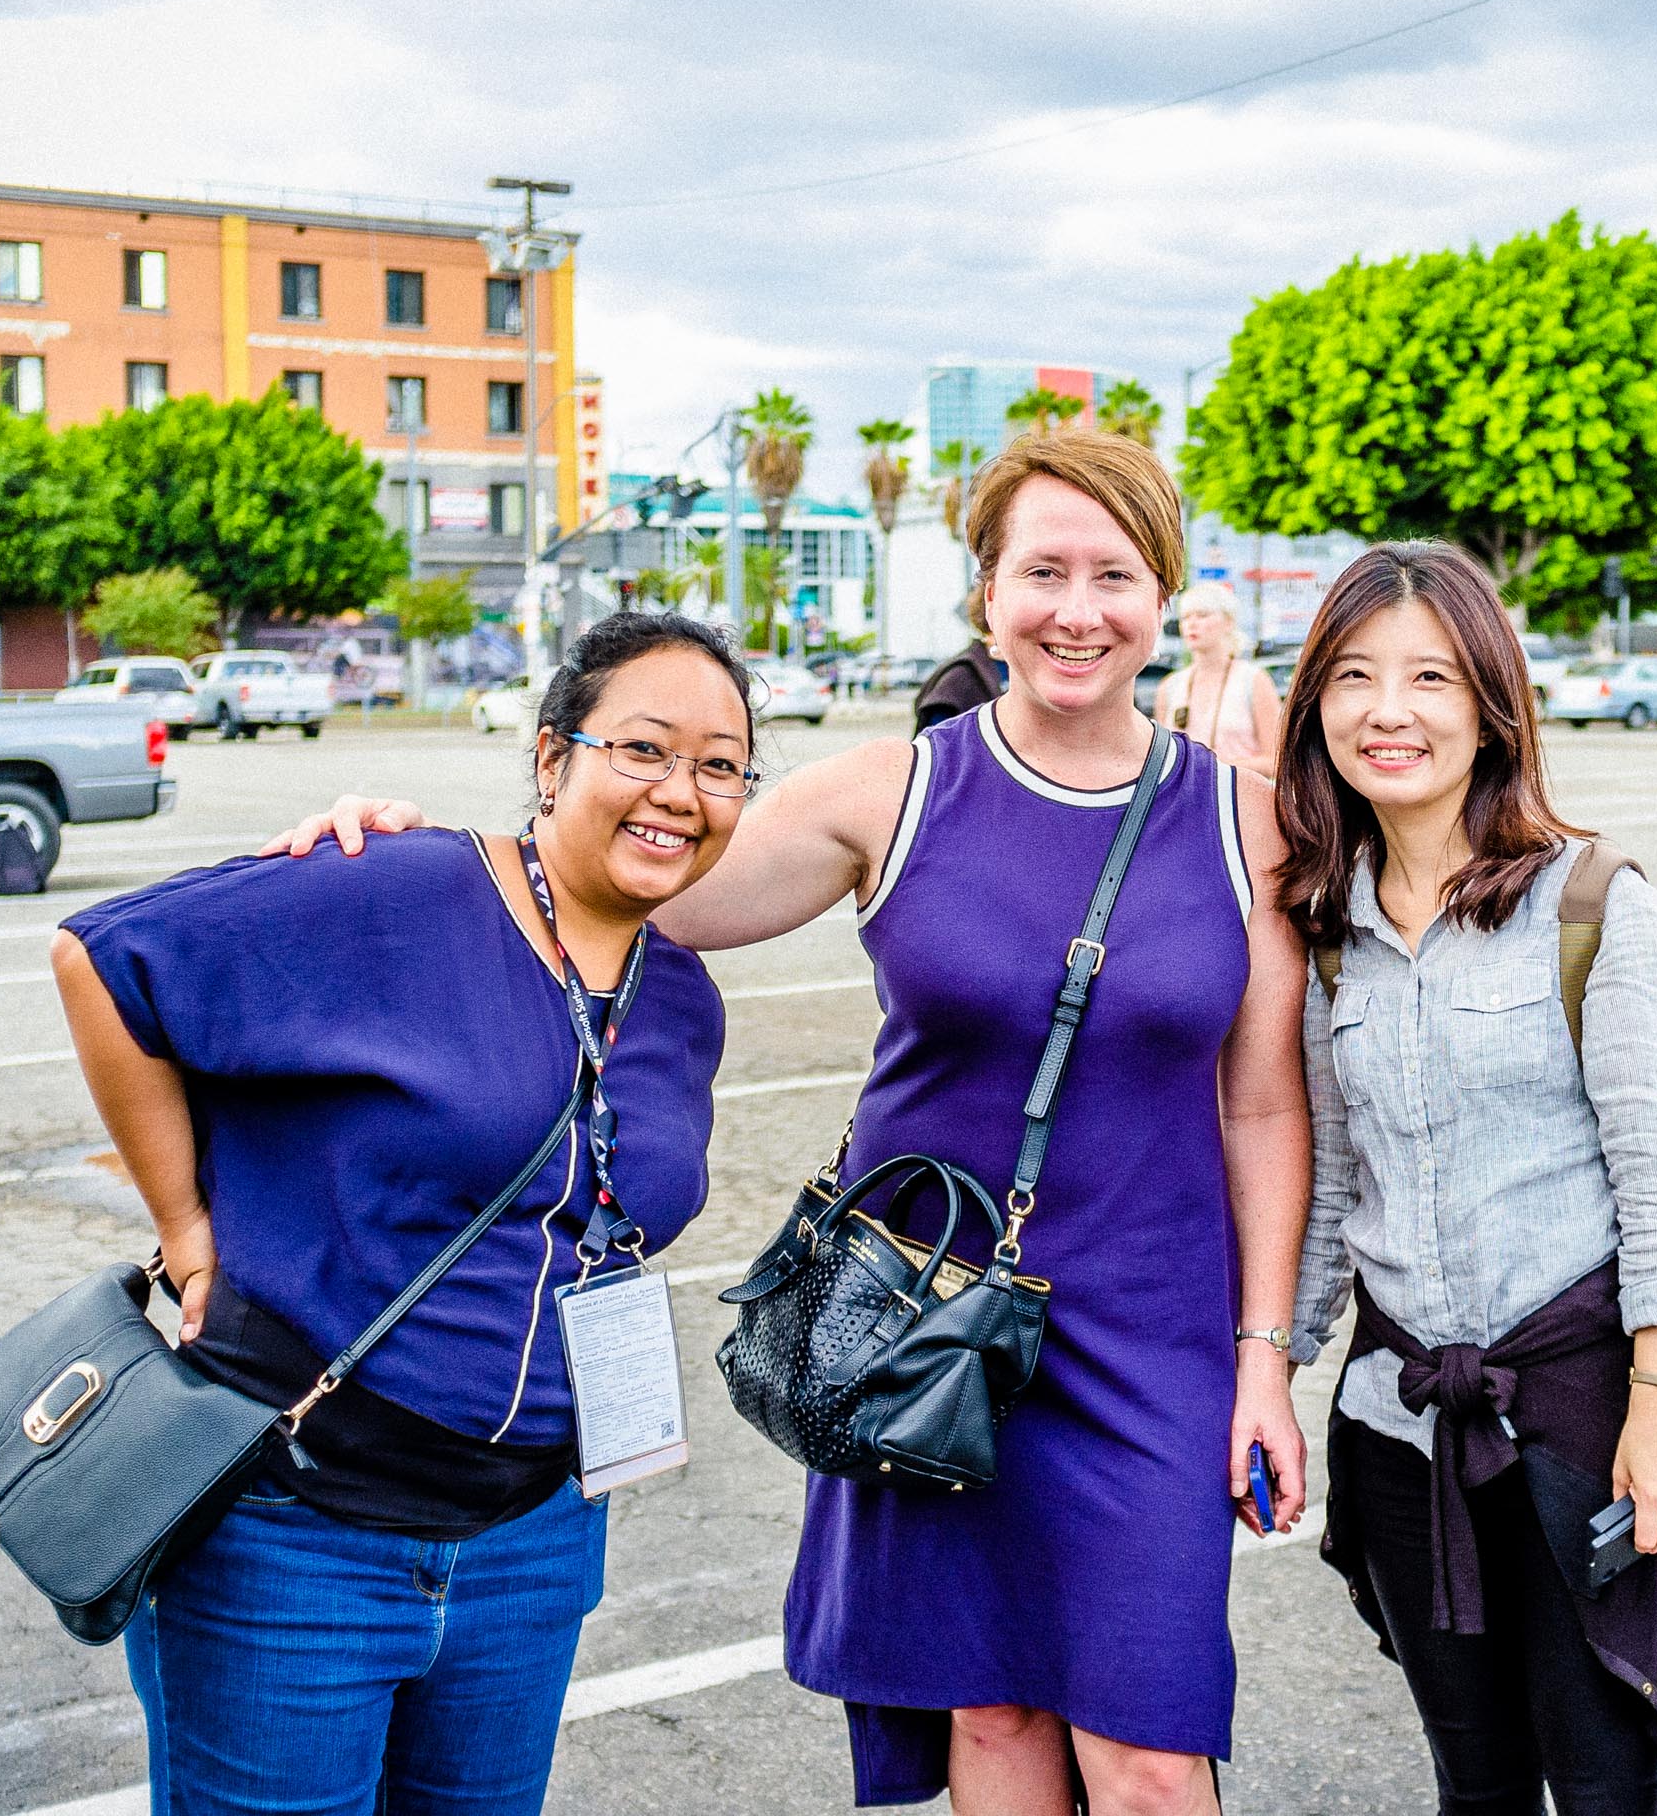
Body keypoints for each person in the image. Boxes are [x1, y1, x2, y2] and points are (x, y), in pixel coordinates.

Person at [275, 429, 1313, 1815]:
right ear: (984, 590)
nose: (1077, 608)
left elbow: (1258, 1106)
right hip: (919, 1321)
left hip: (1151, 1341)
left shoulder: (1247, 823)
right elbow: (612, 891)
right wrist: (414, 846)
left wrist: (1262, 1361)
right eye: (1041, 570)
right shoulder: (891, 791)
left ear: (1162, 593)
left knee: (1144, 1757)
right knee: (990, 1714)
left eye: (1113, 575)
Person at [55, 613, 752, 1814]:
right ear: (550, 760)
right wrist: (186, 1229)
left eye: (721, 765)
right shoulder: (400, 885)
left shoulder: (681, 998)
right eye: (642, 749)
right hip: (293, 1529)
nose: (679, 791)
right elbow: (103, 963)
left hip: (529, 1543)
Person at [1286, 543, 1657, 1815]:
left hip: (1582, 1425)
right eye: (1355, 676)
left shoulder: (1595, 909)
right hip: (1399, 1423)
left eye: (1430, 677)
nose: (1390, 710)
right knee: (1470, 1781)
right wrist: (1265, 1372)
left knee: (1602, 1781)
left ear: (1490, 709)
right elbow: (1326, 1186)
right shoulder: (1327, 933)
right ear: (1316, 703)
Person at [1153, 580, 1282, 778]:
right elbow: (1161, 759)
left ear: (1229, 622)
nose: (1192, 624)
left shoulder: (1253, 680)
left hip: (1241, 798)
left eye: (1203, 615)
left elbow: (1276, 761)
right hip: (1185, 803)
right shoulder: (1170, 686)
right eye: (1185, 617)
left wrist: (1211, 766)